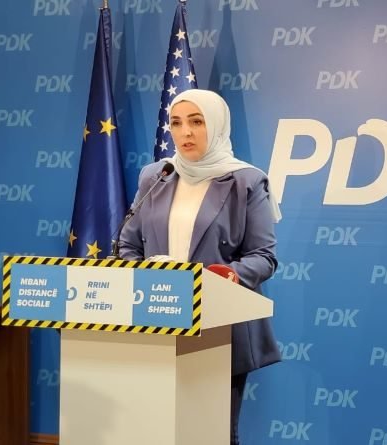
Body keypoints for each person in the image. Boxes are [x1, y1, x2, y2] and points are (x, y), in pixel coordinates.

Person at [118, 88, 282, 445]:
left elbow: (264, 257)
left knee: (212, 432)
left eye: (197, 121)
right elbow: (128, 245)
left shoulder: (246, 181)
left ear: (217, 125)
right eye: (176, 123)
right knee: (158, 431)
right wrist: (143, 276)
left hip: (218, 325)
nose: (185, 132)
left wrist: (223, 277)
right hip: (157, 319)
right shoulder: (156, 175)